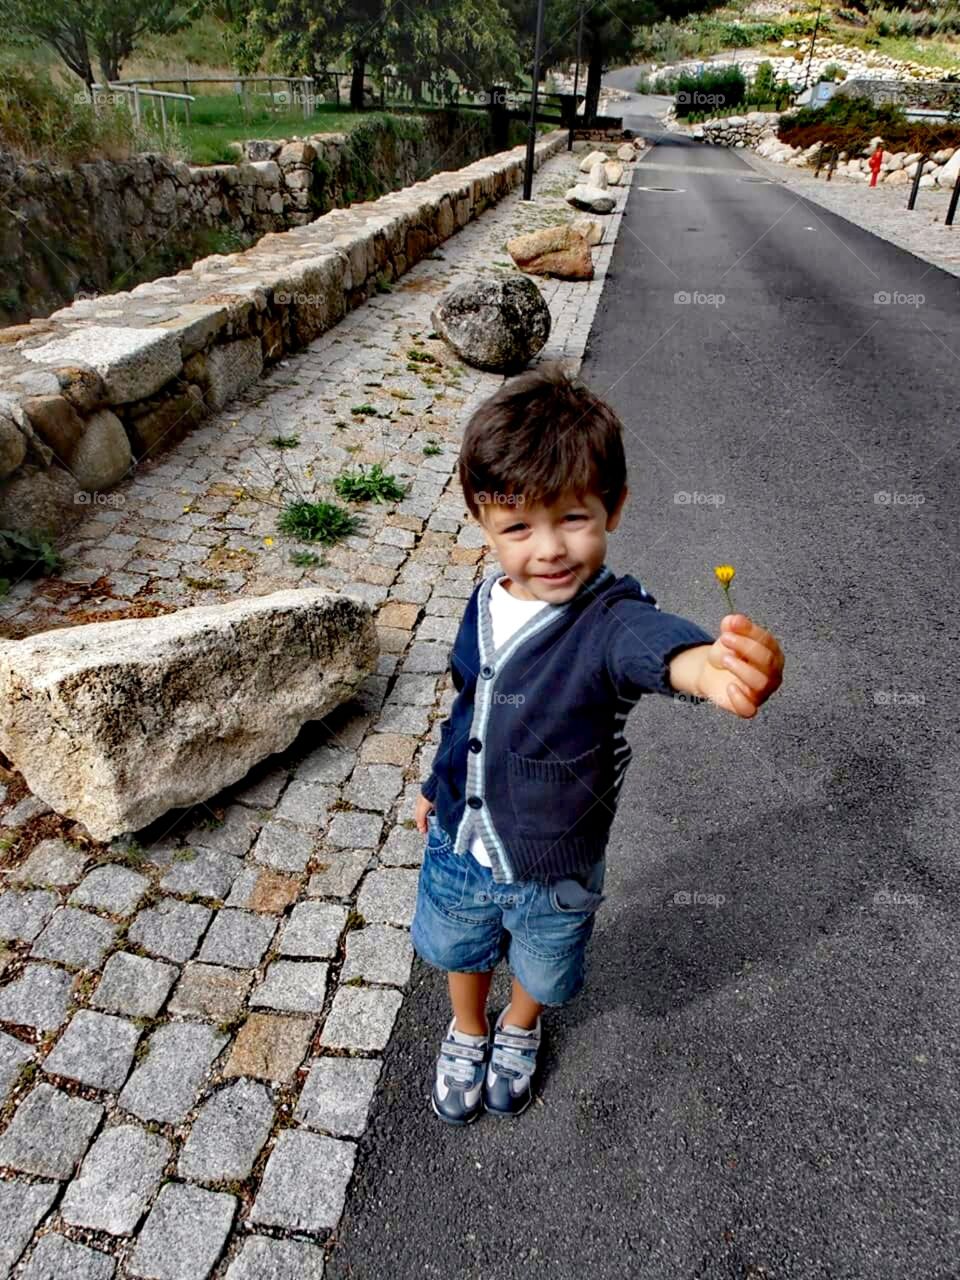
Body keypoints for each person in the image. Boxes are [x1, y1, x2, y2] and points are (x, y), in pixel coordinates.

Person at [409, 363, 784, 1125]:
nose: (547, 548)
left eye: (573, 518)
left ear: (613, 508)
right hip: (459, 842)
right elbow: (467, 708)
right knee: (457, 949)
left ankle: (518, 1028)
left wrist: (711, 669)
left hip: (558, 867)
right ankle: (468, 1028)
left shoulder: (608, 618)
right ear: (483, 523)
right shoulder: (482, 606)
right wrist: (432, 784)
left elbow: (657, 649)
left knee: (544, 966)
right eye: (517, 527)